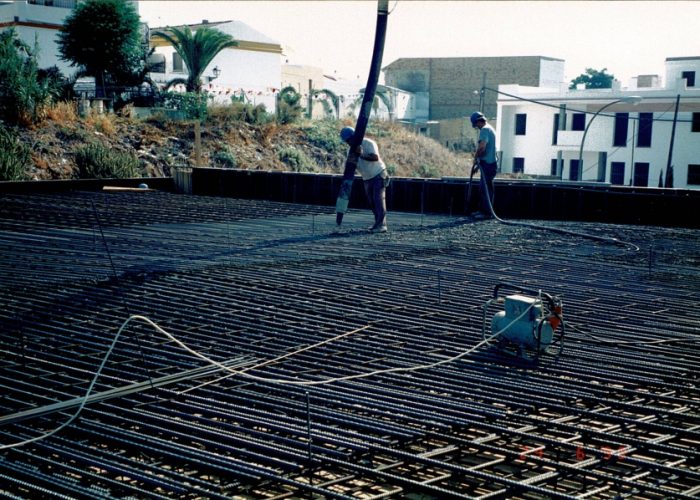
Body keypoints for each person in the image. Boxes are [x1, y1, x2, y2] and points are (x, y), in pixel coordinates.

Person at [340, 126, 389, 233]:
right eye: (346, 141)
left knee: (378, 200)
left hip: (378, 174)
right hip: (367, 178)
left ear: (354, 137)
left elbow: (375, 157)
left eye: (349, 140)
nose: (348, 143)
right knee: (372, 202)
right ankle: (378, 223)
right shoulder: (350, 150)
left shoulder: (368, 143)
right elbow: (351, 166)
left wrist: (360, 154)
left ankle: (382, 225)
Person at [470, 111, 498, 219]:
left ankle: (486, 213)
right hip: (489, 164)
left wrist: (476, 157)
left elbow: (482, 148)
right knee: (485, 188)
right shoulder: (489, 128)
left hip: (488, 165)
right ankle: (483, 211)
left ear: (478, 122)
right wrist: (478, 165)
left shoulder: (485, 130)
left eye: (476, 125)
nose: (476, 127)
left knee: (485, 189)